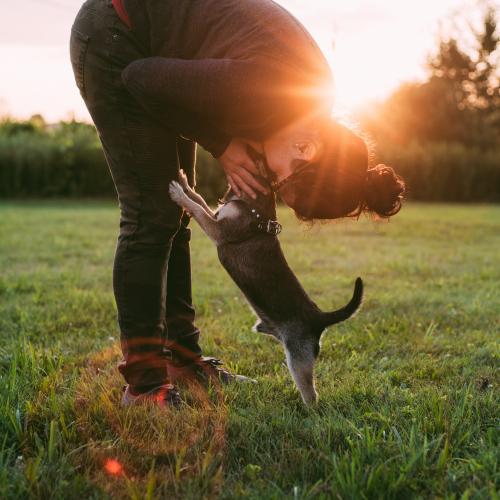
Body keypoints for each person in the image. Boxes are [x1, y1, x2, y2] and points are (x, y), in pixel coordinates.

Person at [70, 0, 405, 407]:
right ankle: (144, 387)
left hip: (154, 49)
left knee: (173, 212)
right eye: (281, 180)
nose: (269, 183)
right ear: (306, 149)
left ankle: (182, 360)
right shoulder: (268, 88)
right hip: (116, 36)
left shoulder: (309, 103)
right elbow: (139, 78)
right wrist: (222, 144)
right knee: (152, 214)